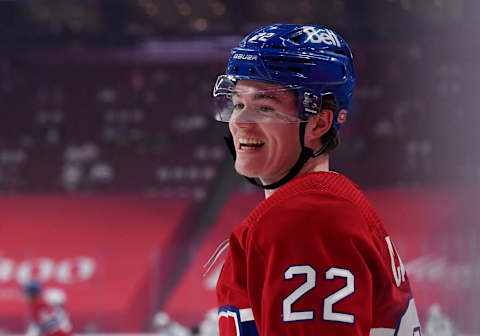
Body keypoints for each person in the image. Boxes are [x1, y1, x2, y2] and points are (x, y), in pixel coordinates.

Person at [210, 24, 421, 335]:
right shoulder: (322, 208)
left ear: (319, 122)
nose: (240, 122)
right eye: (239, 104)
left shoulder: (305, 221)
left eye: (265, 107)